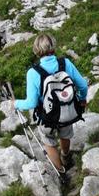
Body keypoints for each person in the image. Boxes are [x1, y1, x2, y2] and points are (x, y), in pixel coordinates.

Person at [14, 33, 88, 174]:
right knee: (65, 135)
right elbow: (83, 85)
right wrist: (82, 99)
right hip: (67, 111)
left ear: (36, 50)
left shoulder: (33, 72)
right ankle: (65, 156)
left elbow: (31, 102)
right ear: (53, 46)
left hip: (47, 117)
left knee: (48, 141)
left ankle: (60, 171)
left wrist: (15, 103)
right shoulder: (65, 63)